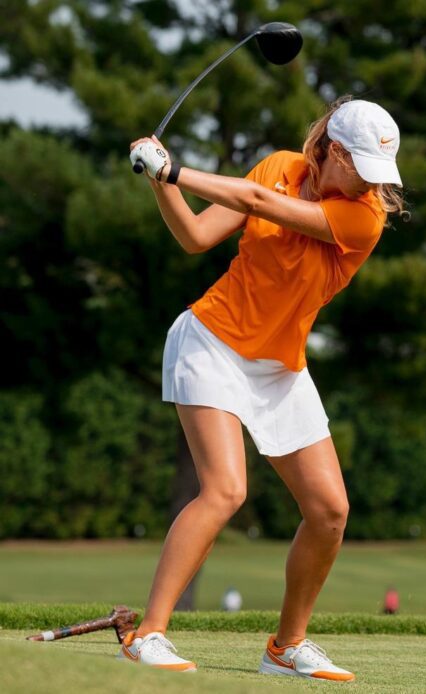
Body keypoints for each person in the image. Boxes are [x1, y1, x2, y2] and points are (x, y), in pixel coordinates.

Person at [122, 96, 404, 681]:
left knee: (329, 511)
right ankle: (148, 634)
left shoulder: (363, 218)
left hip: (280, 366)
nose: (371, 188)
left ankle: (285, 647)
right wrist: (160, 181)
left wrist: (175, 168)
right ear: (333, 153)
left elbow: (252, 201)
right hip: (211, 343)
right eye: (363, 172)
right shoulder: (277, 165)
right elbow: (198, 236)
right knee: (225, 490)